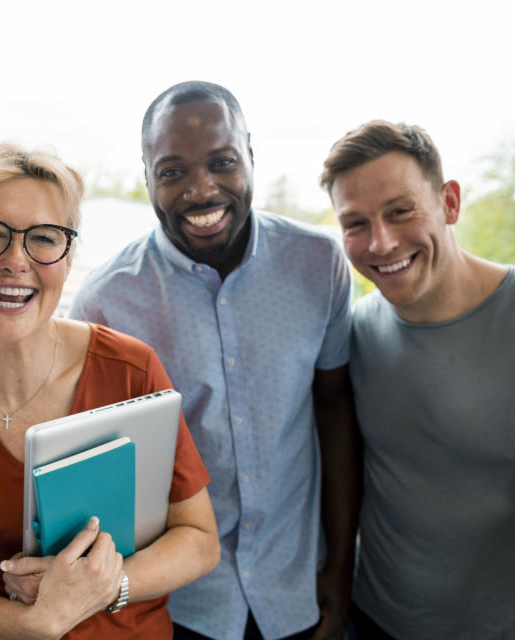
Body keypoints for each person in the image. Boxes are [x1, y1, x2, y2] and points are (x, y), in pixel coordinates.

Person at [69, 81, 361, 640]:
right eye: (173, 171)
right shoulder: (105, 301)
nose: (201, 191)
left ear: (250, 156)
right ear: (148, 174)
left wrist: (341, 569)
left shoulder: (319, 263)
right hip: (178, 606)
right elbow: (104, 475)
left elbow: (335, 414)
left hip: (298, 588)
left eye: (222, 162)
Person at [0, 142, 220, 639]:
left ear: (68, 258)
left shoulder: (131, 369)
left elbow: (199, 540)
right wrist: (39, 622)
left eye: (43, 239)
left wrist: (105, 586)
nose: (15, 260)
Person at [321, 120, 515, 640]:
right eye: (356, 223)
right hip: (369, 624)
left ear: (449, 203)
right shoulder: (356, 333)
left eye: (400, 211)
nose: (382, 242)